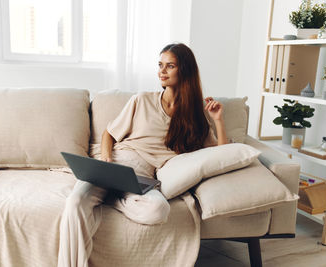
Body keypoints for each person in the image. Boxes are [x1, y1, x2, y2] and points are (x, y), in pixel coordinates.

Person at [57, 43, 228, 267]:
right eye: (160, 65)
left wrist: (218, 120)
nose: (162, 71)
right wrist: (107, 160)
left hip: (142, 179)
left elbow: (222, 154)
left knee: (158, 210)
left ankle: (113, 197)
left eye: (170, 66)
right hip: (119, 161)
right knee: (76, 201)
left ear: (184, 70)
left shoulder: (195, 116)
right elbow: (109, 133)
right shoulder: (142, 99)